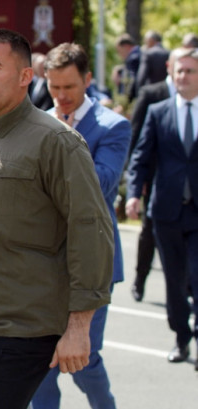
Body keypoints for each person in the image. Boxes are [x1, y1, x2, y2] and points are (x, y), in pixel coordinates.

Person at [0, 29, 114, 409]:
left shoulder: (57, 142)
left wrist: (80, 327)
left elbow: (90, 230)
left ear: (25, 77)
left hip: (23, 326)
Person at [31, 43, 131, 409]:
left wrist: (60, 146)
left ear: (87, 80)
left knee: (83, 356)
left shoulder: (112, 125)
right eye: (55, 87)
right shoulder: (35, 122)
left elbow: (103, 181)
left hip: (92, 259)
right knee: (41, 360)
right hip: (41, 258)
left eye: (69, 87)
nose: (61, 96)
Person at [126, 47, 198, 371]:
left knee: (197, 276)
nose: (182, 77)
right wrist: (132, 194)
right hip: (166, 210)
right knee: (173, 279)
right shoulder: (159, 112)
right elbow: (141, 156)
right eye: (179, 71)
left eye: (190, 71)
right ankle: (181, 339)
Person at [128, 49, 177, 302]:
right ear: (170, 67)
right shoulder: (152, 93)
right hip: (156, 177)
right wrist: (137, 181)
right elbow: (137, 136)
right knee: (149, 231)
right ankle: (140, 278)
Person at [114, 33, 141, 101]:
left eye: (119, 51)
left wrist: (126, 101)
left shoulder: (133, 58)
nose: (119, 55)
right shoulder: (140, 53)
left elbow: (132, 81)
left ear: (126, 46)